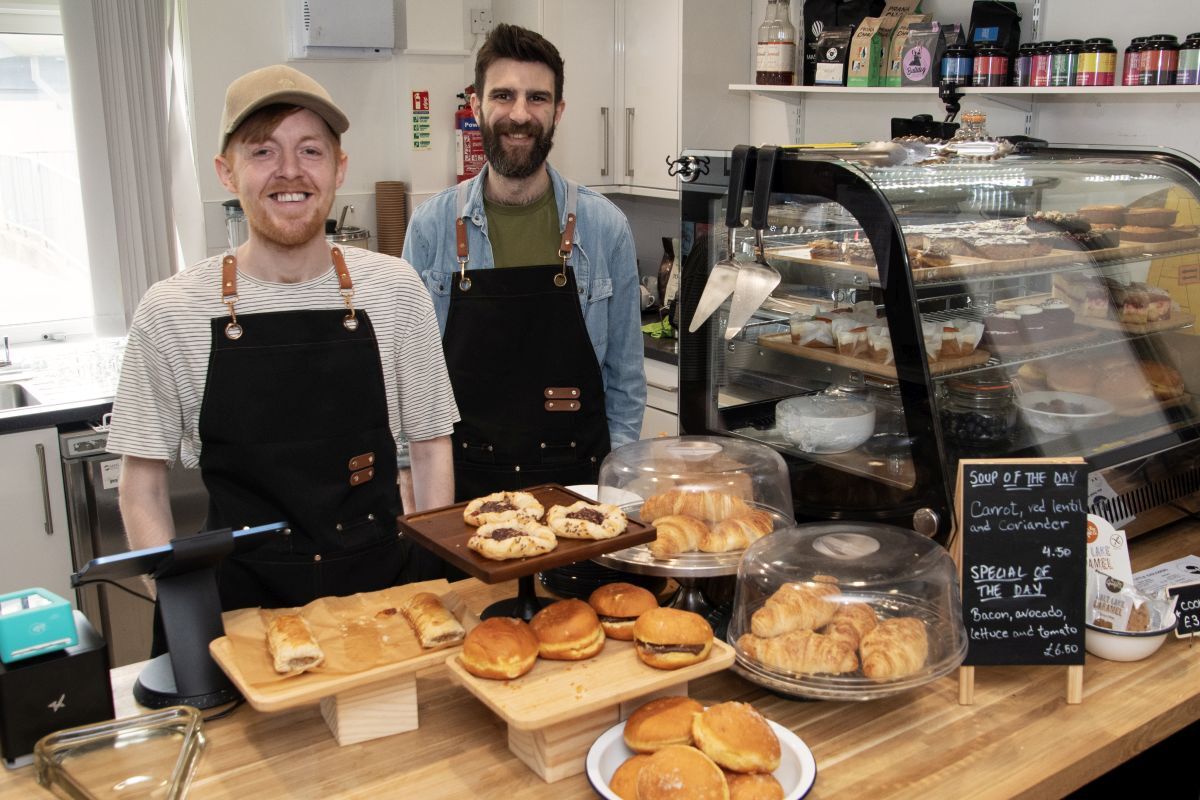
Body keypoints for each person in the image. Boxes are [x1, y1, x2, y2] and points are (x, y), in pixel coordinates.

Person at [107, 65, 459, 612]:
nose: (290, 171)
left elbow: (432, 447)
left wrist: (431, 587)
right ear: (227, 172)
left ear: (340, 168)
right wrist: (185, 613)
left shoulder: (396, 290)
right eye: (263, 151)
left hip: (385, 599)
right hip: (237, 607)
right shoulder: (171, 311)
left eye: (311, 151)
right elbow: (142, 486)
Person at [403, 24, 646, 501]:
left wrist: (611, 494)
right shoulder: (431, 228)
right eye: (504, 96)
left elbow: (626, 384)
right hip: (462, 490)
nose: (520, 114)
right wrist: (411, 488)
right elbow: (406, 380)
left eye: (537, 98)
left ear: (557, 112)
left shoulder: (604, 229)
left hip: (579, 490)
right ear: (476, 106)